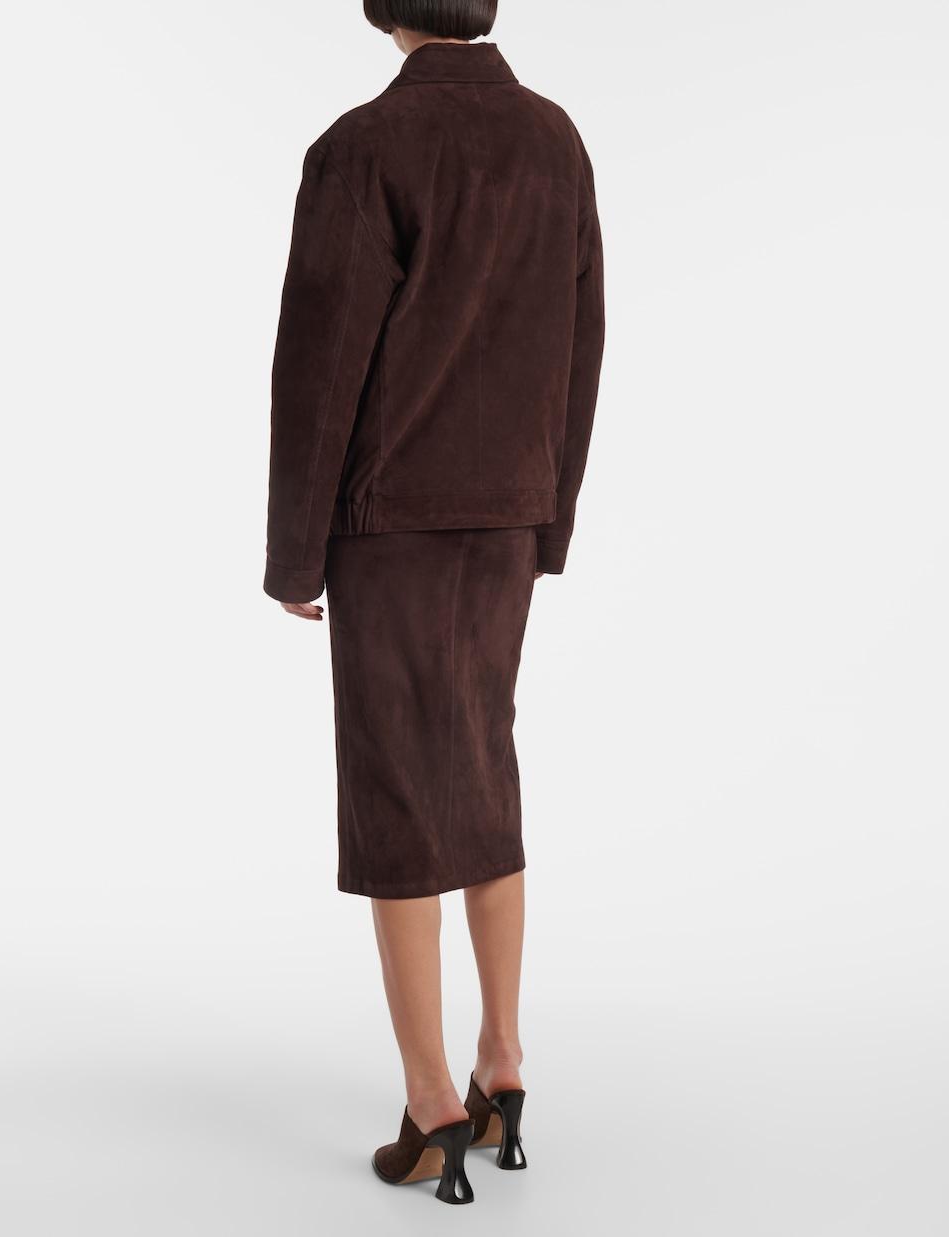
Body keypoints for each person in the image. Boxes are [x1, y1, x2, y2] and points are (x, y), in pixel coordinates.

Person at [263, 0, 604, 1205]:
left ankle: (429, 1104)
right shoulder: (553, 138)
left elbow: (319, 367)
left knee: (399, 799)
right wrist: (547, 514)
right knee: (481, 772)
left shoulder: (362, 146)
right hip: (506, 512)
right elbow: (580, 341)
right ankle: (501, 1060)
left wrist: (294, 556)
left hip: (392, 522)